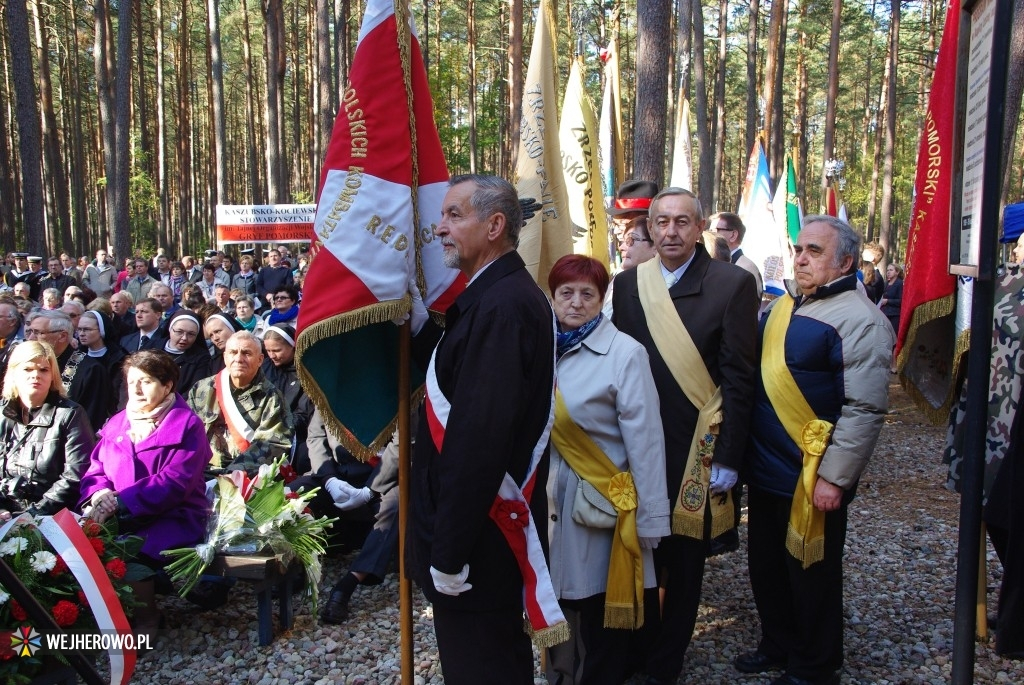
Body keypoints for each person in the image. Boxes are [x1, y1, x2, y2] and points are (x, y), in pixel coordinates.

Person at [407, 174, 563, 684]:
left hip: (479, 537)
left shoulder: (504, 305)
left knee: (484, 667)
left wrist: (448, 554)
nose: (440, 228)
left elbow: (479, 440)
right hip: (477, 529)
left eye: (455, 215)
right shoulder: (491, 297)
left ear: (495, 225)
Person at [609, 187, 758, 685]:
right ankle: (637, 645)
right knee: (640, 547)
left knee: (685, 560)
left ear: (699, 229)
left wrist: (730, 456)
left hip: (699, 442)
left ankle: (665, 663)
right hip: (639, 440)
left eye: (682, 222)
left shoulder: (731, 284)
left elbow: (739, 377)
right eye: (661, 222)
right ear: (649, 228)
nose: (670, 232)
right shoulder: (629, 286)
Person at [736, 215, 893, 685]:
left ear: (845, 261)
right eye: (799, 249)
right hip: (766, 470)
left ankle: (814, 665)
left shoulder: (861, 321)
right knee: (766, 565)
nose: (801, 258)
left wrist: (835, 476)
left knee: (812, 575)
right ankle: (778, 644)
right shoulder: (784, 306)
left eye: (814, 252)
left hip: (812, 476)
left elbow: (864, 408)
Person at [543, 255, 670, 685]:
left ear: (602, 299)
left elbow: (647, 442)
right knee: (557, 603)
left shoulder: (625, 353)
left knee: (599, 611)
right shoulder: (540, 346)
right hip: (547, 499)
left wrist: (652, 516)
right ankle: (563, 674)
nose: (576, 303)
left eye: (587, 294)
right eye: (566, 293)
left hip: (602, 506)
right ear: (552, 296)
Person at [79, 350, 212, 637]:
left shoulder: (188, 425)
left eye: (147, 381)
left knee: (128, 550)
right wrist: (100, 494)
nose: (137, 389)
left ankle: (147, 618)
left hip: (171, 515)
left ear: (167, 386)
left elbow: (176, 481)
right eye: (132, 382)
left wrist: (120, 504)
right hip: (116, 510)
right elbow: (96, 467)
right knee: (77, 547)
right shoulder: (117, 422)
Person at [0, 341, 95, 520]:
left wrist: (32, 515)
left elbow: (74, 476)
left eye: (43, 370)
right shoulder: (2, 413)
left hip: (50, 517)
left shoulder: (70, 414)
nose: (35, 375)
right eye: (27, 369)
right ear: (13, 373)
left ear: (53, 375)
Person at [187, 331, 292, 477]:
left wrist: (230, 476)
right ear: (224, 357)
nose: (238, 359)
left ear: (260, 359)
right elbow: (186, 434)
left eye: (246, 353)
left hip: (244, 478)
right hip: (199, 472)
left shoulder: (272, 397)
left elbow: (273, 444)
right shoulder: (201, 389)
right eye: (233, 352)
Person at [26, 311, 111, 433]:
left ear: (62, 336)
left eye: (38, 333)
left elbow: (90, 421)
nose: (31, 338)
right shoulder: (28, 365)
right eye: (30, 331)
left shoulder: (91, 370)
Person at [261, 325, 312, 473]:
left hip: (294, 432)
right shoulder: (264, 366)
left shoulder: (306, 371)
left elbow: (304, 413)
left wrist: (278, 423)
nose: (272, 356)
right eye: (268, 351)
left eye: (277, 350)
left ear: (293, 346)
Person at [77, 310, 127, 412]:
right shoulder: (76, 356)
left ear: (102, 331)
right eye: (79, 329)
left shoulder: (119, 358)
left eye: (87, 329)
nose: (81, 334)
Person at [711, 211, 764, 300]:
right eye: (709, 231)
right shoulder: (716, 264)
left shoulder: (746, 268)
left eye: (715, 230)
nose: (710, 235)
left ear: (733, 235)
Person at [162, 311, 212, 396]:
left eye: (191, 334)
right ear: (170, 329)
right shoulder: (151, 347)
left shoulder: (202, 358)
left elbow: (194, 390)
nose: (184, 338)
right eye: (179, 332)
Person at [879, 263, 903, 335]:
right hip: (884, 314)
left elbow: (901, 301)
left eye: (891, 270)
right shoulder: (886, 283)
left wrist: (887, 301)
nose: (888, 272)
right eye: (887, 270)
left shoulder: (899, 283)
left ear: (897, 272)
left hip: (894, 316)